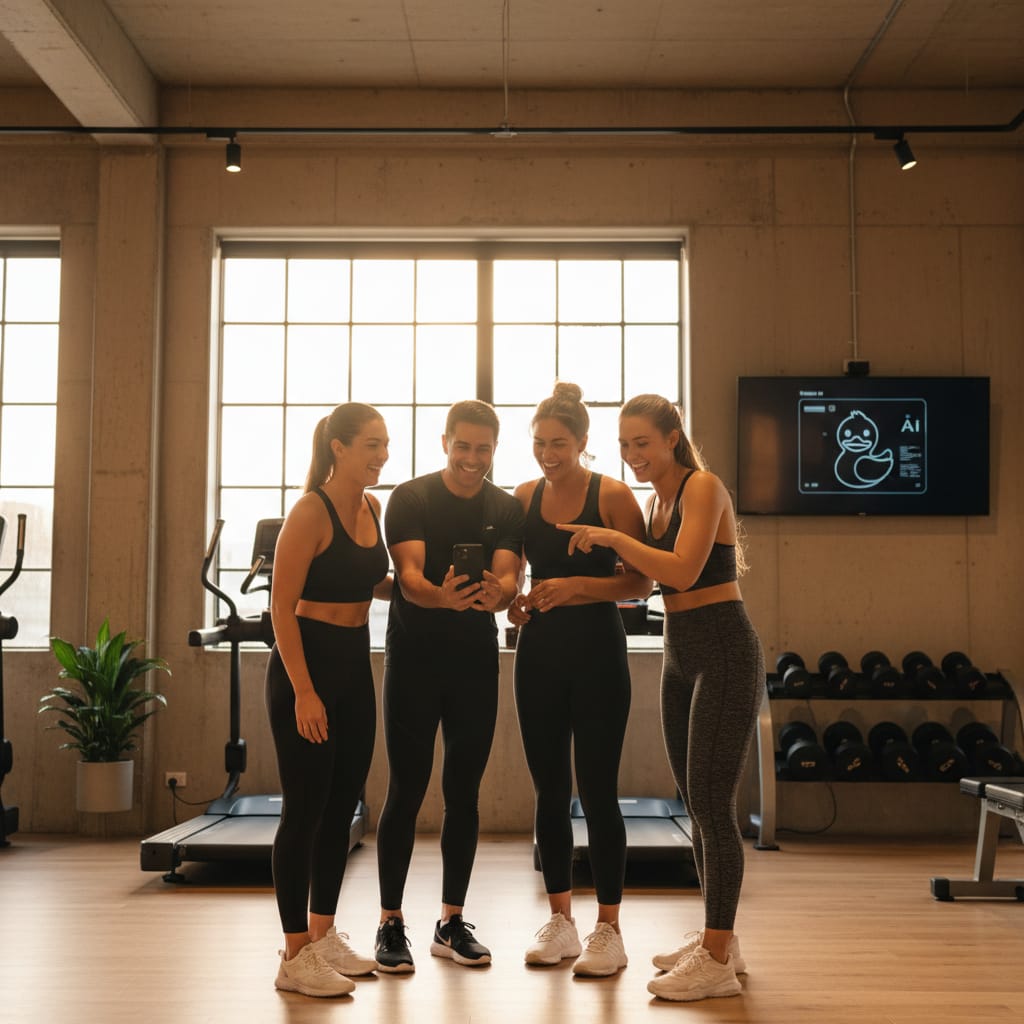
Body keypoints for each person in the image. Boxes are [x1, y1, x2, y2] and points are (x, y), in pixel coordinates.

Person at [558, 393, 764, 1003]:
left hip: (724, 650)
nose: (631, 455)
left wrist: (609, 538)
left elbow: (677, 571)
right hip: (681, 655)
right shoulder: (656, 501)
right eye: (623, 445)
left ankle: (718, 959)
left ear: (672, 438)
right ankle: (718, 939)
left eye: (641, 442)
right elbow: (645, 583)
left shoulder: (702, 487)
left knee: (713, 805)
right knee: (696, 805)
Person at [374, 399, 524, 973]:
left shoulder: (506, 508)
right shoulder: (410, 498)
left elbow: (511, 575)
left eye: (482, 448)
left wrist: (500, 593)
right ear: (444, 443)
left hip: (473, 666)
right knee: (406, 791)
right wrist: (439, 597)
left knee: (464, 793)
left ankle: (450, 921)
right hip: (413, 662)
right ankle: (391, 923)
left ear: (493, 449)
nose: (471, 458)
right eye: (462, 446)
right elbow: (409, 577)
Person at [508, 382, 652, 976]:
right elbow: (512, 579)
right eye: (540, 443)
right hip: (537, 653)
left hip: (597, 651)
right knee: (548, 790)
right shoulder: (521, 497)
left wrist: (577, 588)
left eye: (559, 444)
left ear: (583, 443)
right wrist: (513, 604)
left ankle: (609, 930)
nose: (548, 453)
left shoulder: (613, 496)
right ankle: (562, 920)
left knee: (596, 790)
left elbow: (642, 584)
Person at [265, 402, 392, 998]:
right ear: (338, 448)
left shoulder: (372, 506)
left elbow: (370, 579)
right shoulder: (309, 511)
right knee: (305, 810)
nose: (380, 455)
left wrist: (424, 585)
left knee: (342, 806)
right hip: (308, 665)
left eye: (384, 445)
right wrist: (305, 691)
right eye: (370, 444)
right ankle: (293, 955)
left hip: (354, 665)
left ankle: (322, 935)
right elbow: (280, 607)